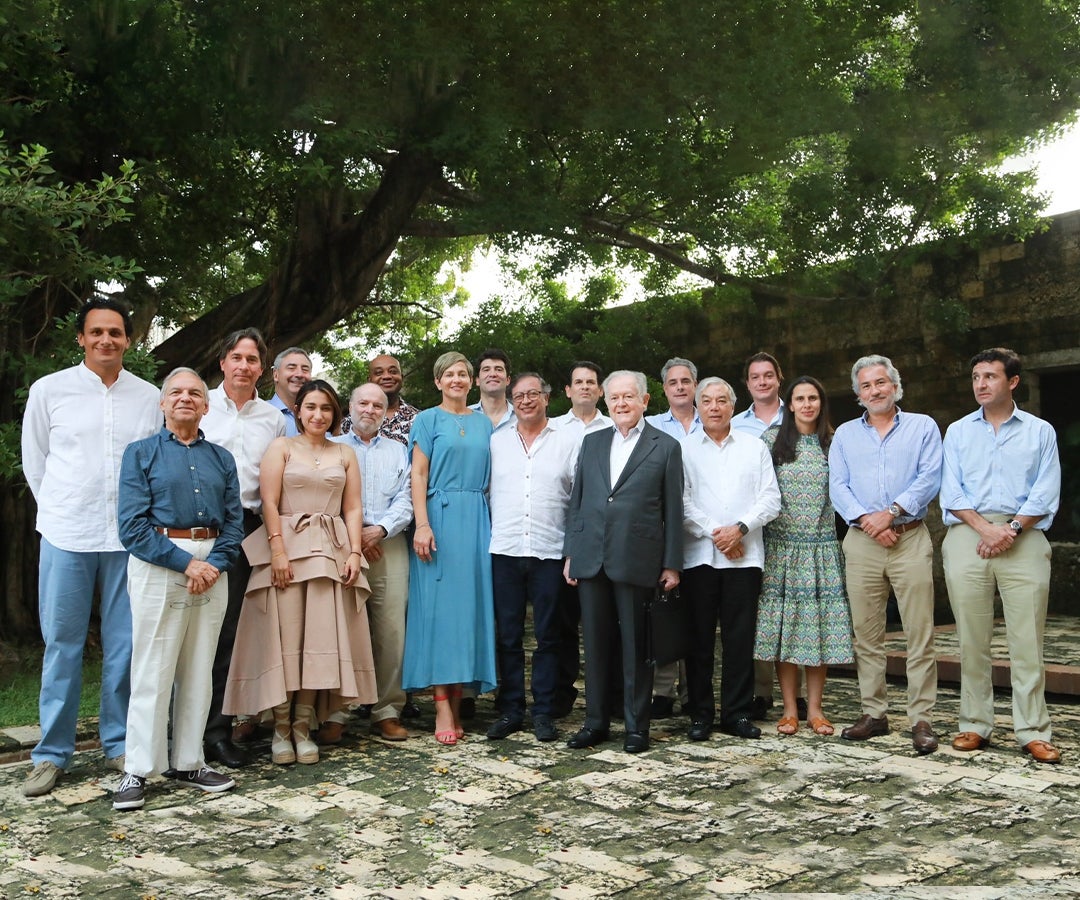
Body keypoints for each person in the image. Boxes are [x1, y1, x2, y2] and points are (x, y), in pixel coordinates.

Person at [19, 298, 161, 798]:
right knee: (63, 644)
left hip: (128, 538)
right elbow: (35, 460)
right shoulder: (49, 390)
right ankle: (51, 753)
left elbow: (153, 464)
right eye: (96, 332)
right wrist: (59, 509)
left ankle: (119, 742)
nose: (106, 340)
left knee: (125, 645)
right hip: (68, 534)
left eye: (115, 332)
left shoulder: (148, 397)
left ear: (128, 340)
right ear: (80, 338)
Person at [223, 380, 377, 765]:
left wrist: (354, 551)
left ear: (334, 413)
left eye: (325, 408)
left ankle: (303, 726)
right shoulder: (282, 447)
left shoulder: (344, 453)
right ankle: (280, 727)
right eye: (310, 407)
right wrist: (277, 550)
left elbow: (353, 507)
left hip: (331, 552)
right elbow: (268, 501)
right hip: (288, 550)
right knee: (286, 638)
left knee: (318, 641)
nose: (317, 415)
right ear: (298, 411)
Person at [112, 368, 244, 810]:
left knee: (200, 665)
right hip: (160, 561)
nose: (185, 398)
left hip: (213, 566)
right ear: (163, 402)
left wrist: (213, 565)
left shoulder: (222, 459)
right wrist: (187, 564)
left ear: (206, 406)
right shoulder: (140, 454)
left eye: (194, 393)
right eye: (176, 392)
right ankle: (137, 768)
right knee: (153, 666)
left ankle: (189, 761)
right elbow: (132, 527)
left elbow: (234, 523)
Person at [940, 348, 1062, 763]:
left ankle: (1033, 730)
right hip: (968, 534)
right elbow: (951, 490)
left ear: (1012, 382)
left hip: (1023, 535)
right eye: (976, 376)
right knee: (971, 638)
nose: (981, 384)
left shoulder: (1040, 431)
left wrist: (1009, 530)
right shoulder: (958, 431)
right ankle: (975, 724)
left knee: (1027, 639)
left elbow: (1045, 490)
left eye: (990, 376)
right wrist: (985, 529)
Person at [563, 370, 683, 754]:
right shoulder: (592, 442)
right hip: (591, 557)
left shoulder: (665, 446)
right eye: (614, 398)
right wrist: (571, 553)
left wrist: (672, 563)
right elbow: (578, 501)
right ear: (606, 401)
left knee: (636, 647)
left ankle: (635, 727)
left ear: (645, 401)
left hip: (637, 557)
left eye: (629, 396)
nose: (621, 404)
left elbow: (673, 510)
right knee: (596, 647)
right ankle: (595, 722)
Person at [829, 354, 943, 754]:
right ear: (858, 394)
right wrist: (869, 521)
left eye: (880, 382)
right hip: (862, 541)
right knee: (866, 633)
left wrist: (891, 513)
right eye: (866, 385)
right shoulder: (845, 435)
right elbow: (838, 486)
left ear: (895, 385)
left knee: (919, 632)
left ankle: (921, 718)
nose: (874, 390)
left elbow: (930, 477)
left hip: (909, 537)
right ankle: (874, 713)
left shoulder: (922, 427)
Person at [199, 328, 286, 768]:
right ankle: (175, 733)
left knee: (228, 632)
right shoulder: (199, 404)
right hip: (195, 527)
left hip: (246, 528)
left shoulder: (272, 419)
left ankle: (216, 732)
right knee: (186, 631)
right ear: (223, 362)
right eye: (237, 357)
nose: (244, 366)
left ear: (261, 369)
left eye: (252, 360)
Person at [402, 352, 497, 745]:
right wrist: (422, 524)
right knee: (440, 614)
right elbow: (418, 474)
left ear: (472, 382)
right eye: (449, 374)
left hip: (476, 519)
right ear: (438, 382)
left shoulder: (485, 424)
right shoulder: (426, 420)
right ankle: (442, 704)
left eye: (463, 374)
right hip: (438, 519)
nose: (456, 379)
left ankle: (459, 701)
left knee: (467, 613)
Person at [681, 377, 781, 741]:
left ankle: (736, 713)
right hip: (699, 558)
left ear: (732, 406)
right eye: (707, 401)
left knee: (740, 639)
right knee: (699, 639)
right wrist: (718, 535)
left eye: (721, 400)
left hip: (745, 557)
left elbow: (770, 499)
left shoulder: (754, 447)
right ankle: (700, 713)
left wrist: (739, 529)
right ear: (698, 407)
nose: (714, 407)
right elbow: (681, 501)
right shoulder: (683, 450)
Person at [754, 376, 853, 736]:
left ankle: (815, 710)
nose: (807, 404)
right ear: (790, 404)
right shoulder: (771, 442)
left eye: (813, 398)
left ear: (821, 403)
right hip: (781, 549)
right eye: (800, 398)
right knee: (786, 632)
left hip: (821, 548)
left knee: (819, 631)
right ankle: (789, 709)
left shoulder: (834, 442)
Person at [487, 373, 578, 743]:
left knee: (549, 635)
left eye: (533, 394)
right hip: (505, 549)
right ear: (512, 400)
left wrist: (573, 551)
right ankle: (511, 708)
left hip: (550, 551)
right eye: (519, 395)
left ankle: (544, 711)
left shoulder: (569, 440)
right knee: (507, 635)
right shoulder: (496, 441)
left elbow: (579, 499)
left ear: (547, 397)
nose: (526, 400)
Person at [331, 384, 414, 743]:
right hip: (339, 546)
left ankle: (387, 710)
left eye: (377, 405)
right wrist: (355, 538)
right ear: (350, 408)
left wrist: (378, 531)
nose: (369, 410)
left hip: (388, 544)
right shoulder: (333, 447)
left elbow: (408, 497)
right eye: (363, 403)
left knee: (392, 632)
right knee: (341, 630)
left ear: (385, 412)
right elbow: (325, 498)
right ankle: (336, 711)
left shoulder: (399, 450)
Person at [731, 351, 800, 722]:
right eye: (755, 376)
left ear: (779, 378)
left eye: (768, 375)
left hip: (793, 530)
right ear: (747, 383)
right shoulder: (735, 424)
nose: (762, 381)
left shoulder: (799, 415)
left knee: (794, 609)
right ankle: (761, 692)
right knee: (758, 612)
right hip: (751, 531)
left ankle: (797, 693)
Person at [549, 361, 613, 717]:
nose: (585, 387)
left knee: (606, 620)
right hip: (560, 534)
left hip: (604, 538)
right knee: (564, 621)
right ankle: (563, 691)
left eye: (591, 382)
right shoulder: (553, 428)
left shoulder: (615, 426)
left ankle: (610, 695)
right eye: (578, 382)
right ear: (568, 390)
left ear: (600, 390)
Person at [645, 357, 700, 718]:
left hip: (705, 538)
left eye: (686, 381)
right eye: (673, 382)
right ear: (663, 389)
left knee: (695, 618)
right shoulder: (650, 427)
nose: (680, 387)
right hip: (664, 535)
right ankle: (663, 692)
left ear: (695, 385)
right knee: (664, 613)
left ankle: (693, 692)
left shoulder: (713, 420)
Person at [268, 347, 313, 436]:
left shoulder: (320, 416)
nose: (299, 374)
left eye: (305, 370)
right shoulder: (259, 413)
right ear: (276, 374)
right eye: (291, 368)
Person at [470, 347, 516, 432]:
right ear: (477, 381)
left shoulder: (522, 417)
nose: (492, 374)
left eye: (499, 369)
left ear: (508, 380)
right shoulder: (463, 417)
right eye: (486, 370)